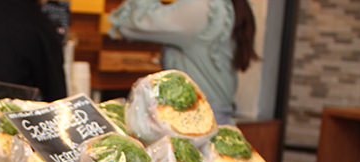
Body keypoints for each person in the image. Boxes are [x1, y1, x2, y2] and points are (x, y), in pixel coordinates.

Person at [108, 0, 259, 125]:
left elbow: (131, 23)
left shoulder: (203, 8)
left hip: (196, 127)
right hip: (214, 124)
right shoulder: (229, 7)